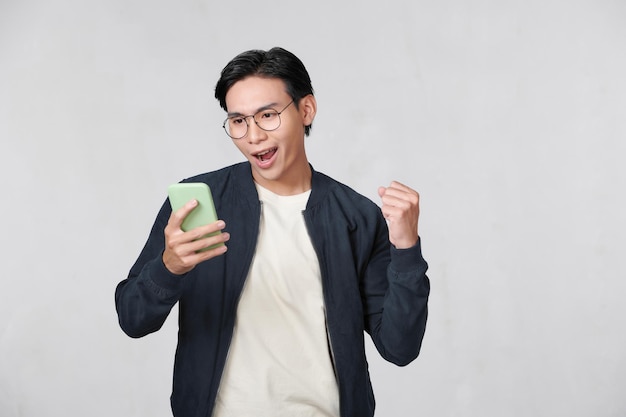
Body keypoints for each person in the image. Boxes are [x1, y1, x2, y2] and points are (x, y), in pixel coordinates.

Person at [115, 46, 430, 417]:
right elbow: (132, 319)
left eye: (267, 115)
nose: (253, 136)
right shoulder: (199, 205)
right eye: (238, 121)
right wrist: (168, 267)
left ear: (306, 110)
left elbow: (399, 347)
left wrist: (406, 248)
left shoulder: (355, 216)